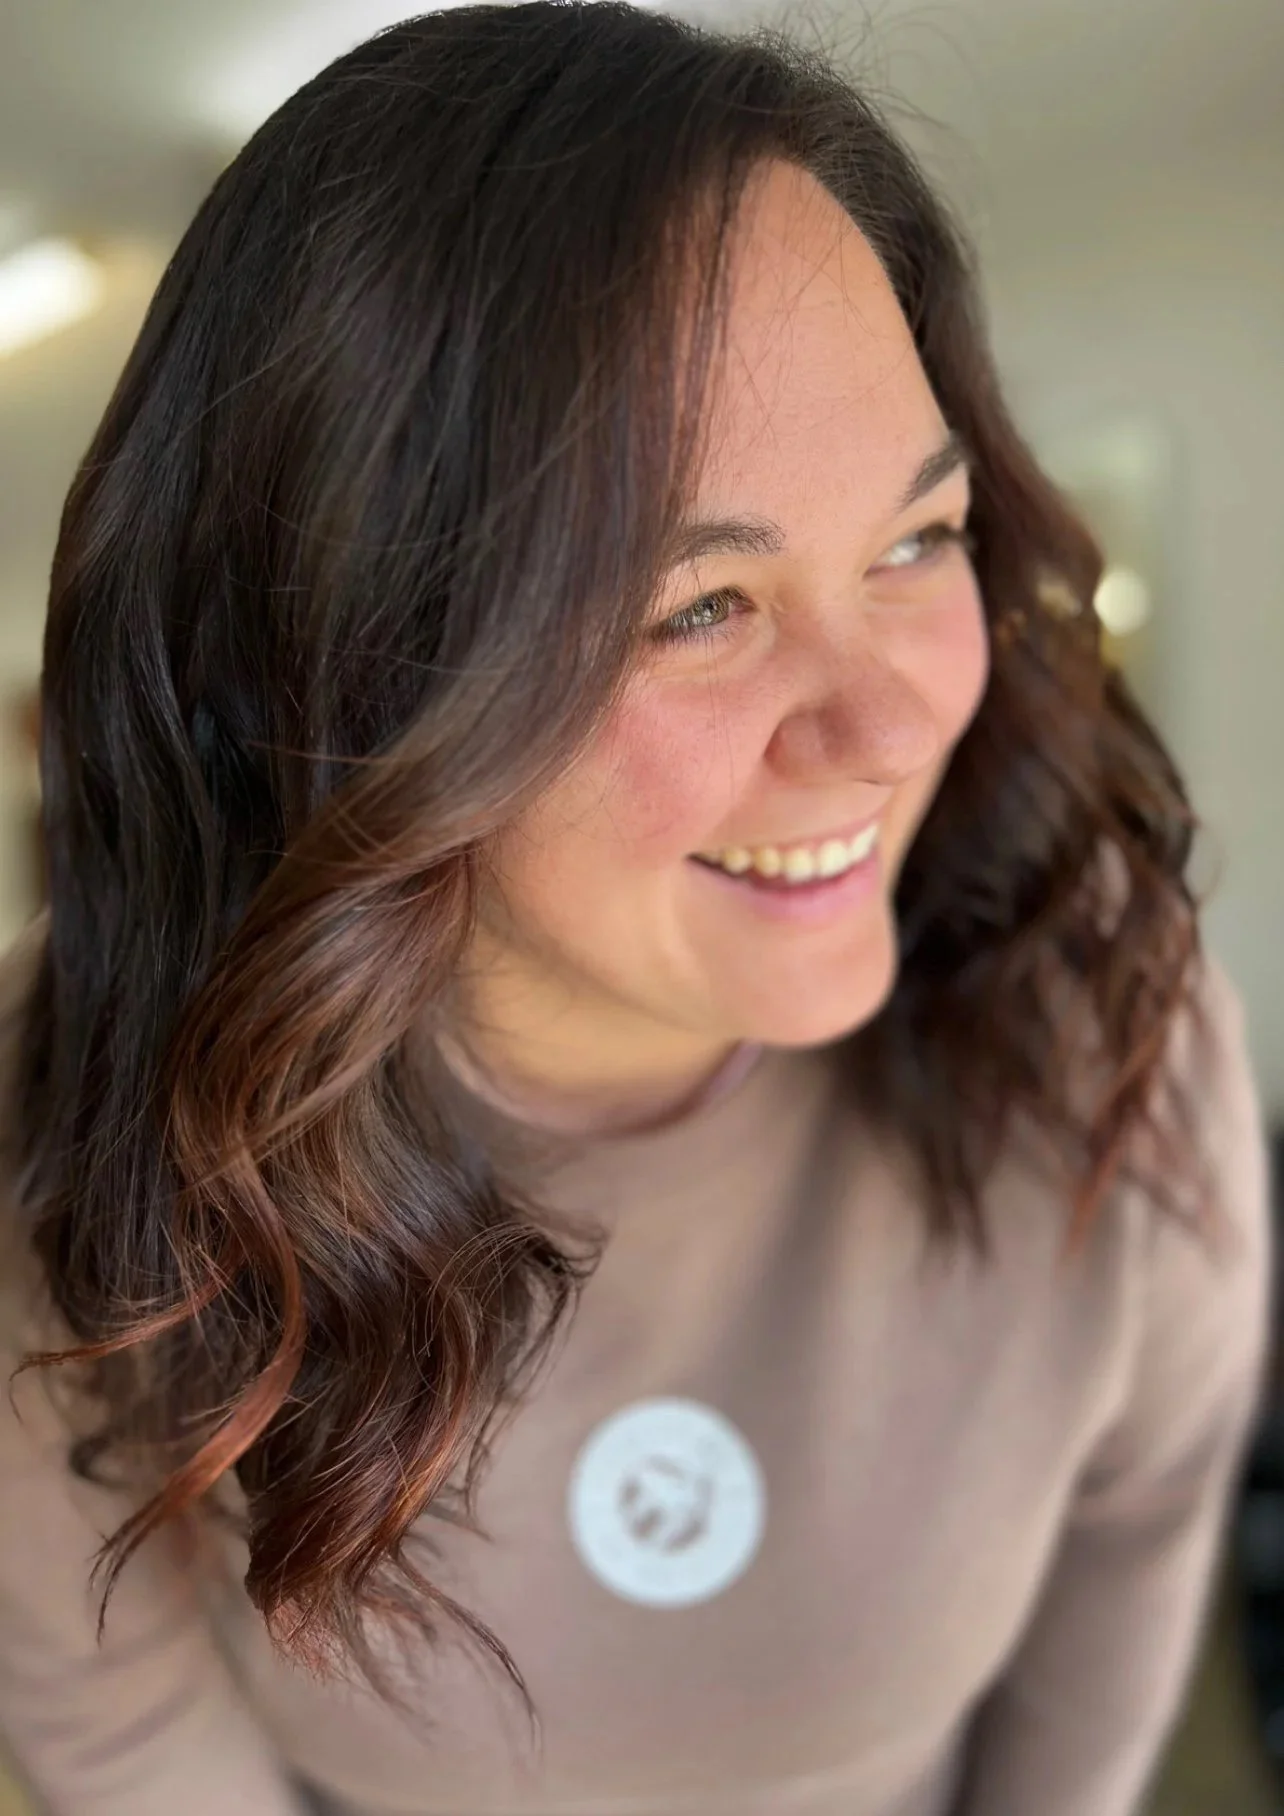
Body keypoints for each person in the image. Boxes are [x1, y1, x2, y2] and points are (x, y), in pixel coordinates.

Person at [0, 5, 1273, 1813]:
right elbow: (126, 1743)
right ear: (349, 678)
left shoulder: (1109, 1017)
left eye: (918, 542)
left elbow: (1137, 1539)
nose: (894, 720)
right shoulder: (62, 1129)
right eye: (698, 608)